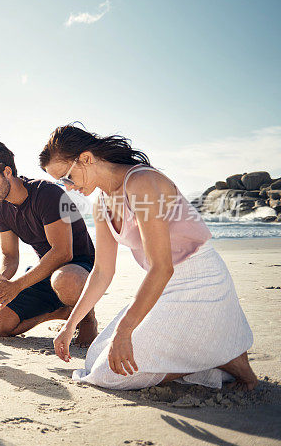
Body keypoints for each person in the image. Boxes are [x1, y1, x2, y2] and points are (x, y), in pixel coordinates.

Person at [41, 125, 256, 390]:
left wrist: (125, 329)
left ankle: (222, 355)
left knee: (110, 374)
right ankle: (211, 355)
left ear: (86, 158)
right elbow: (101, 273)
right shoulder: (101, 203)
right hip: (163, 287)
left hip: (200, 281)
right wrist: (70, 324)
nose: (68, 187)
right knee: (95, 360)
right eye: (61, 182)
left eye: (67, 177)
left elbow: (162, 268)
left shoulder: (141, 182)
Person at [0, 139, 98, 345]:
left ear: (7, 172)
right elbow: (10, 256)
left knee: (66, 280)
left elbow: (63, 252)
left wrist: (17, 285)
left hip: (79, 269)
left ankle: (87, 318)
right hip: (45, 272)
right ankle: (62, 311)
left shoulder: (47, 194)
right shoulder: (0, 209)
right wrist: (3, 278)